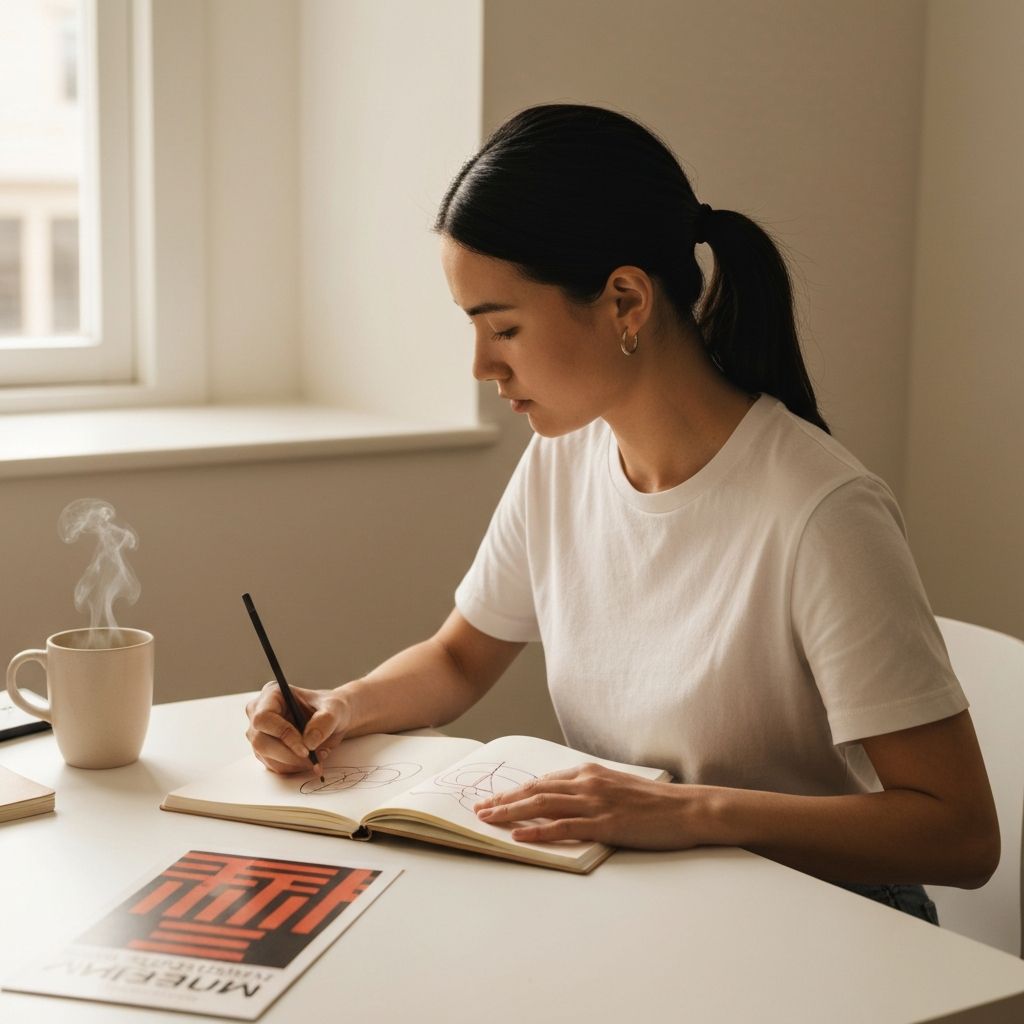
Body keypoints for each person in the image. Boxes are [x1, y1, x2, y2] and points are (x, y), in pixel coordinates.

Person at [245, 103, 999, 922]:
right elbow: (460, 661)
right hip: (660, 907)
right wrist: (341, 707)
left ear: (626, 302)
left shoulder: (822, 514)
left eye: (503, 328)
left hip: (829, 923)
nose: (480, 365)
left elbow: (959, 836)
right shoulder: (564, 460)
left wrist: (689, 812)